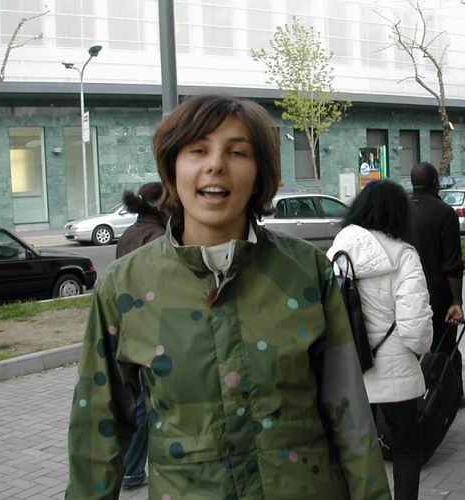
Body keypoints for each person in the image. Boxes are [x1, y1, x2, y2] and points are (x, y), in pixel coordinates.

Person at [66, 94, 391, 499]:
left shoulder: (308, 271)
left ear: (259, 173)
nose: (216, 164)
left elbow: (350, 415)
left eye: (237, 152)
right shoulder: (123, 286)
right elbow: (97, 431)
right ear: (172, 168)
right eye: (197, 150)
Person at [327, 180, 433, 500]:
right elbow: (415, 327)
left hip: (349, 369)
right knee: (406, 449)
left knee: (357, 451)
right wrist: (420, 351)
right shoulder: (404, 255)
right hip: (395, 370)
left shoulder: (337, 252)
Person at [114, 181, 167, 488]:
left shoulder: (130, 233)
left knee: (135, 400)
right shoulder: (157, 234)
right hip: (150, 325)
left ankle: (130, 468)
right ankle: (133, 469)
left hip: (128, 323)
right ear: (160, 204)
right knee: (147, 404)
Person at [407, 162, 465, 408]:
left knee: (411, 347)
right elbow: (453, 264)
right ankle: (452, 395)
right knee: (445, 346)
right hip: (438, 295)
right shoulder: (444, 213)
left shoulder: (401, 211)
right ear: (435, 183)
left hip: (406, 294)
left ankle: (414, 394)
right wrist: (457, 301)